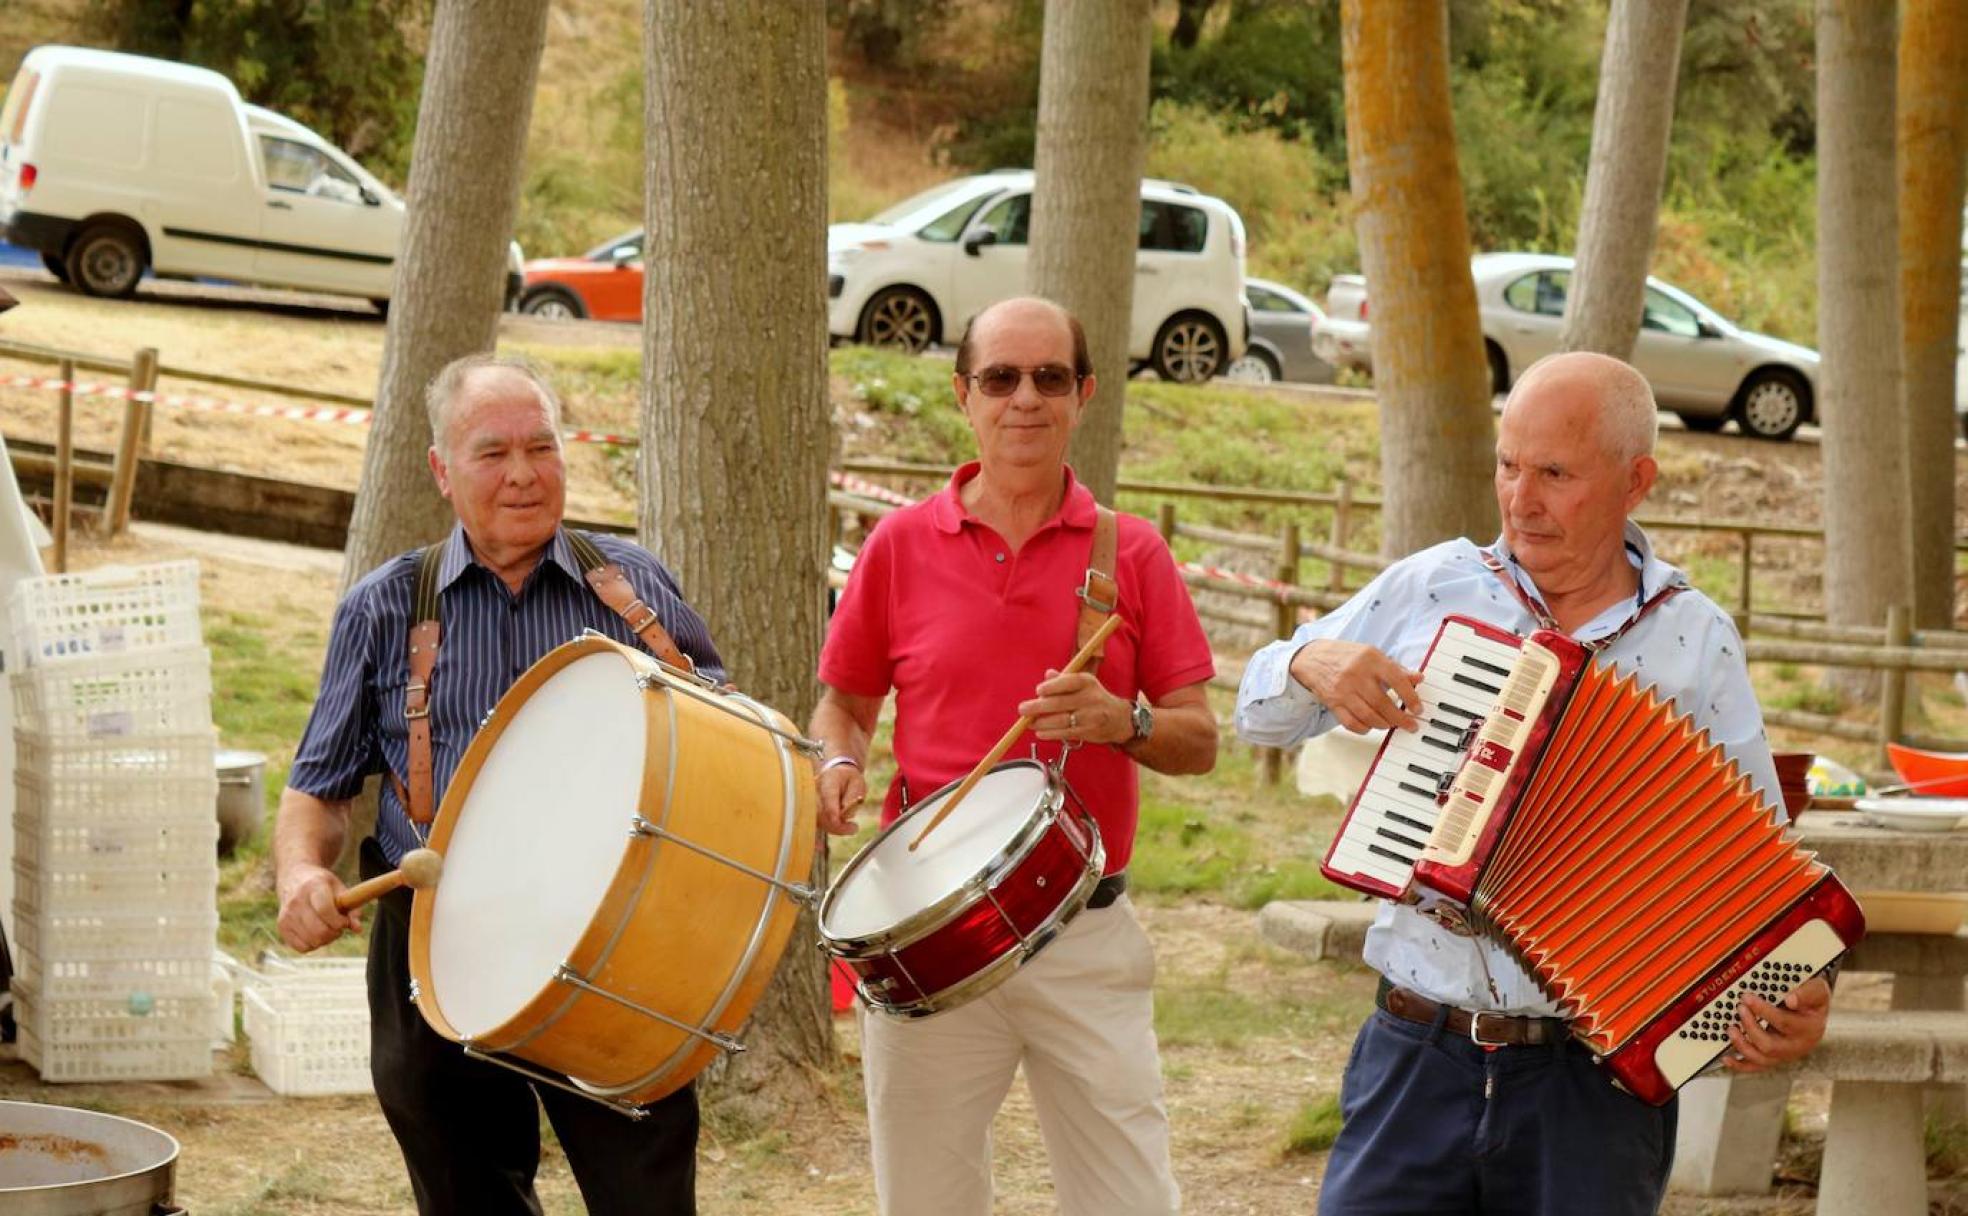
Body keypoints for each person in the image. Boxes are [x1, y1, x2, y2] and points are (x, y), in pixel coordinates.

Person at [1235, 351, 1830, 1216]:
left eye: (1555, 473)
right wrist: (1308, 659)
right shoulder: (1435, 585)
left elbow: (1759, 874)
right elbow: (1259, 713)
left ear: (1636, 482)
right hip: (1417, 1047)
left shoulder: (1696, 640)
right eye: (1509, 465)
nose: (1520, 498)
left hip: (1592, 1083)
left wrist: (1794, 995)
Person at [272, 354, 718, 1216]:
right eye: (492, 452)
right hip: (436, 937)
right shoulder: (383, 607)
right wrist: (299, 874)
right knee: (468, 1195)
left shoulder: (632, 587)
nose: (523, 474)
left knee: (645, 1192)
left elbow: (723, 742)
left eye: (542, 447)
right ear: (442, 471)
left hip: (613, 937)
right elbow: (319, 786)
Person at [810, 296, 1217, 1216]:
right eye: (1000, 378)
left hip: (1086, 930)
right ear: (964, 395)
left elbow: (1200, 737)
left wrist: (1125, 722)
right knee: (923, 1203)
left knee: (1130, 1204)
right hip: (927, 936)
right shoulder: (899, 545)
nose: (1024, 399)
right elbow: (842, 706)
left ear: (1085, 395)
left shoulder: (1134, 553)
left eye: (1049, 378)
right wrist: (836, 765)